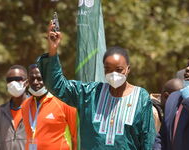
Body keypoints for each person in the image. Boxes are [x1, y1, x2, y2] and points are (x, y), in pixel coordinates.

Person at [36, 21, 155, 150]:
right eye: (108, 69)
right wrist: (53, 49)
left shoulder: (140, 97)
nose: (113, 74)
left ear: (128, 69)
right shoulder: (90, 94)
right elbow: (57, 85)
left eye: (119, 69)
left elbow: (148, 139)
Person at [21, 64, 77, 150]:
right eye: (32, 79)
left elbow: (76, 137)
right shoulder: (25, 105)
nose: (35, 82)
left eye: (40, 79)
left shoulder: (65, 102)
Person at [0, 65, 28, 150]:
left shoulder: (36, 109)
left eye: (17, 79)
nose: (13, 83)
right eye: (10, 80)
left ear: (26, 82)